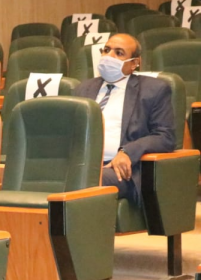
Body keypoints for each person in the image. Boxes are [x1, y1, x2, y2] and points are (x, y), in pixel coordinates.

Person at [73, 33, 174, 203]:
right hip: (81, 164)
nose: (109, 56)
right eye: (106, 50)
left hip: (120, 170)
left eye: (119, 53)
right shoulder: (83, 89)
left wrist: (127, 151)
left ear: (135, 63)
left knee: (84, 180)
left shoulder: (153, 89)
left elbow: (165, 137)